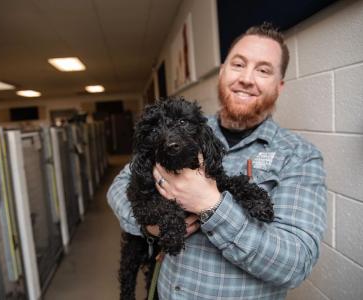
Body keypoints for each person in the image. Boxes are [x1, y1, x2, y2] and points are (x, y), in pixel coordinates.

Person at [107, 23, 327, 300]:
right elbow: (120, 185)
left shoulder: (300, 157)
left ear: (279, 86)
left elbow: (294, 264)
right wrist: (147, 225)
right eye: (238, 64)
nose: (247, 78)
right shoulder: (187, 127)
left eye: (263, 70)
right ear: (222, 71)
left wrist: (209, 204)